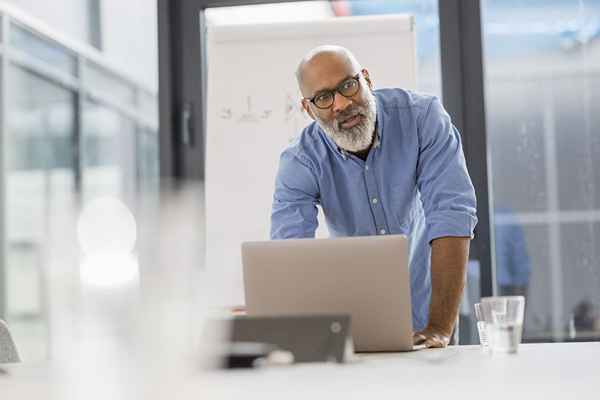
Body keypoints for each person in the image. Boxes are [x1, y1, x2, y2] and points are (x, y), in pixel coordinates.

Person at [270, 45, 477, 348]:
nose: (341, 104)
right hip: (351, 329)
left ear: (366, 80)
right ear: (308, 109)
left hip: (432, 311)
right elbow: (290, 255)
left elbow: (451, 213)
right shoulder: (300, 160)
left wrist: (439, 327)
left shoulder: (423, 119)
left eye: (348, 86)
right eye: (324, 98)